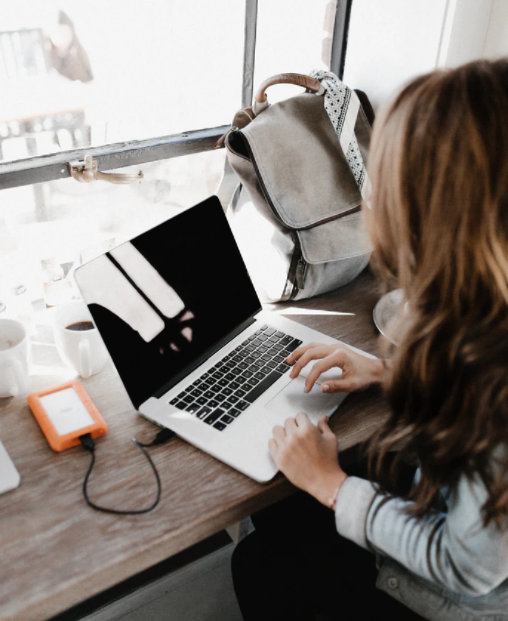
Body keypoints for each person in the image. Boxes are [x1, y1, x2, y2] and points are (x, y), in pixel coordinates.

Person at [231, 58, 508, 621]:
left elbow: (469, 568)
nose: (372, 202)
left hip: (454, 600)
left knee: (260, 563)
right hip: (452, 523)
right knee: (281, 511)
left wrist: (331, 486)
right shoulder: (484, 316)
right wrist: (388, 371)